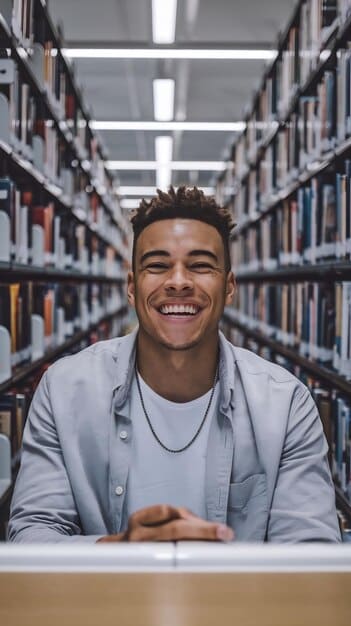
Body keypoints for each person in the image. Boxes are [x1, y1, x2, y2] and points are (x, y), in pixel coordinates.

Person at [8, 186, 341, 543]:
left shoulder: (286, 404)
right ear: (132, 287)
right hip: (102, 601)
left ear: (229, 287)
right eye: (157, 265)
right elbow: (32, 536)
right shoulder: (62, 392)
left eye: (200, 265)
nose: (179, 282)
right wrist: (120, 550)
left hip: (240, 602)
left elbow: (310, 553)